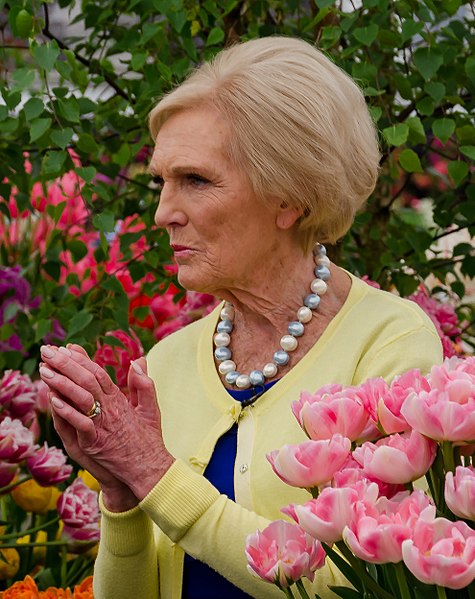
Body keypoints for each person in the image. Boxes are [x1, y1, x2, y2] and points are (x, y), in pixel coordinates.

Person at [38, 36, 443, 598]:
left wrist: (155, 474)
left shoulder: (389, 344)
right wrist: (123, 496)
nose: (162, 213)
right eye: (161, 181)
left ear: (289, 197)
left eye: (195, 180)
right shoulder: (169, 362)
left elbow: (365, 585)